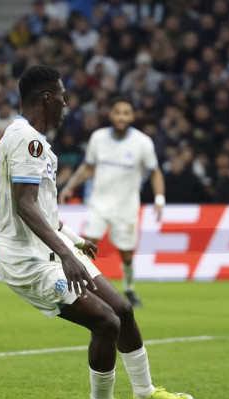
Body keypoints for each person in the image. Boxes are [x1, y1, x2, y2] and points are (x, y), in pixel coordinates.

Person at [0, 65, 192, 399]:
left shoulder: (27, 137)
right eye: (63, 98)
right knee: (106, 322)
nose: (66, 106)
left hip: (53, 247)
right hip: (27, 259)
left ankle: (145, 393)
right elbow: (24, 206)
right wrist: (67, 254)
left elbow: (43, 209)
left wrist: (74, 240)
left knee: (123, 310)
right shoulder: (28, 141)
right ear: (47, 98)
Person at [59, 96, 165, 308]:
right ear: (111, 115)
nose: (121, 117)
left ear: (132, 116)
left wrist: (159, 199)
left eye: (126, 113)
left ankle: (129, 288)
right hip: (99, 203)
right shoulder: (98, 138)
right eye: (118, 112)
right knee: (86, 246)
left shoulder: (142, 142)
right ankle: (82, 289)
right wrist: (70, 186)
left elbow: (155, 172)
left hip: (126, 207)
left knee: (126, 255)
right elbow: (88, 167)